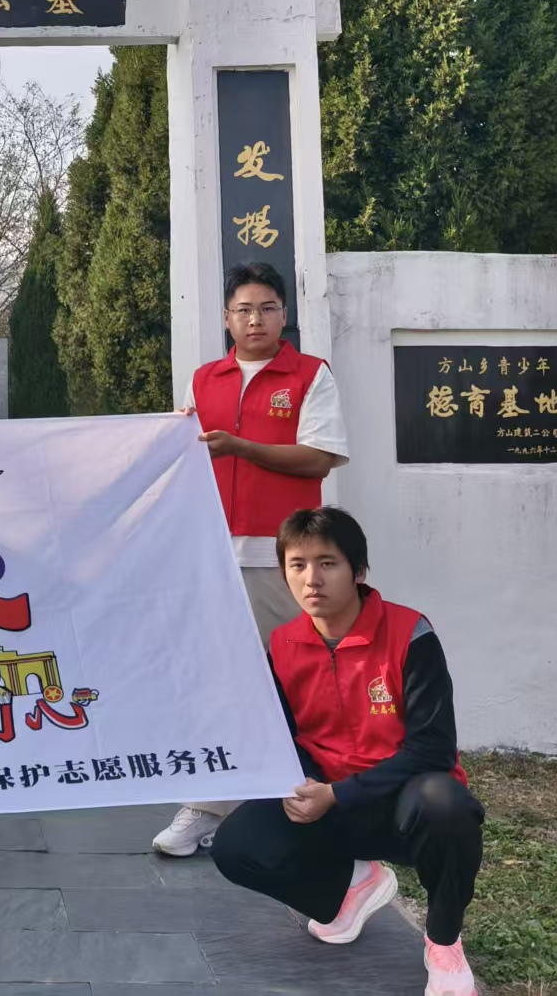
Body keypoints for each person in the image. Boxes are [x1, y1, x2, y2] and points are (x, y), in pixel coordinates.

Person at [210, 507, 482, 996]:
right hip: (329, 804)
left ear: (358, 571)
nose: (311, 579)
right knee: (236, 847)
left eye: (327, 563)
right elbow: (283, 738)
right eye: (297, 565)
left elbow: (434, 748)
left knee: (449, 807)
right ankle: (350, 887)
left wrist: (339, 793)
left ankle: (444, 943)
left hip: (404, 801)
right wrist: (306, 788)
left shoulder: (410, 633)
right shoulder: (282, 646)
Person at [154, 260, 349, 857]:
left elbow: (319, 457)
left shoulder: (310, 375)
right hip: (212, 555)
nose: (255, 319)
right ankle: (207, 806)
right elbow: (181, 456)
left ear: (284, 315)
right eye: (243, 310)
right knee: (218, 681)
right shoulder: (204, 379)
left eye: (267, 308)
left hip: (285, 557)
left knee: (296, 681)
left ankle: (306, 803)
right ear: (226, 318)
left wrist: (240, 447)